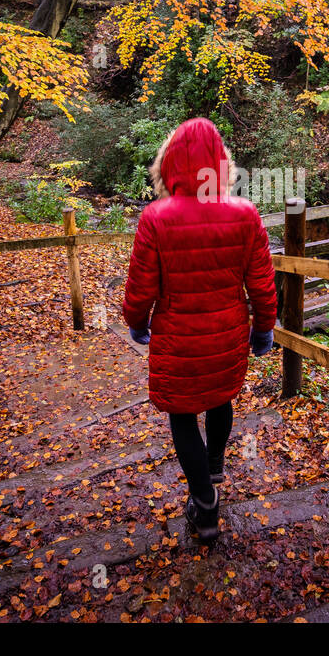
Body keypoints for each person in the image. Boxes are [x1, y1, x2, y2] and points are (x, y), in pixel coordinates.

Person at [122, 118, 277, 543]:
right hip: (227, 335)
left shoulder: (156, 218)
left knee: (183, 412)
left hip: (177, 339)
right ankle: (214, 464)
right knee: (220, 397)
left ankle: (205, 501)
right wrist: (263, 331)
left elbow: (140, 289)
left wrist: (136, 324)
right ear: (220, 163)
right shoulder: (244, 214)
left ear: (169, 163)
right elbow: (262, 284)